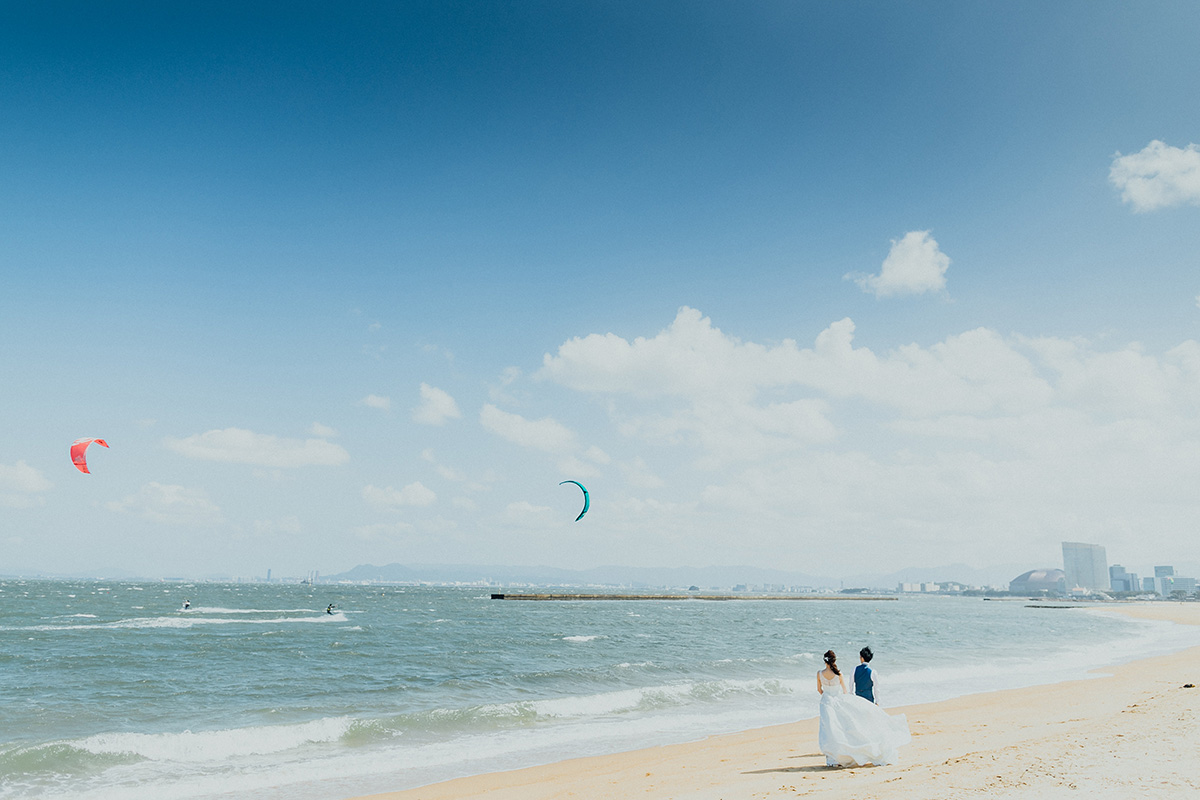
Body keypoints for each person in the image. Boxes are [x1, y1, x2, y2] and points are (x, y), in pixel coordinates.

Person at [817, 649, 910, 767]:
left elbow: (825, 689)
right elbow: (875, 688)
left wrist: (831, 696)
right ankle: (869, 742)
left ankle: (832, 757)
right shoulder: (868, 672)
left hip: (828, 702)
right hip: (861, 700)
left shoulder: (847, 670)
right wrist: (877, 702)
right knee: (864, 724)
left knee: (830, 729)